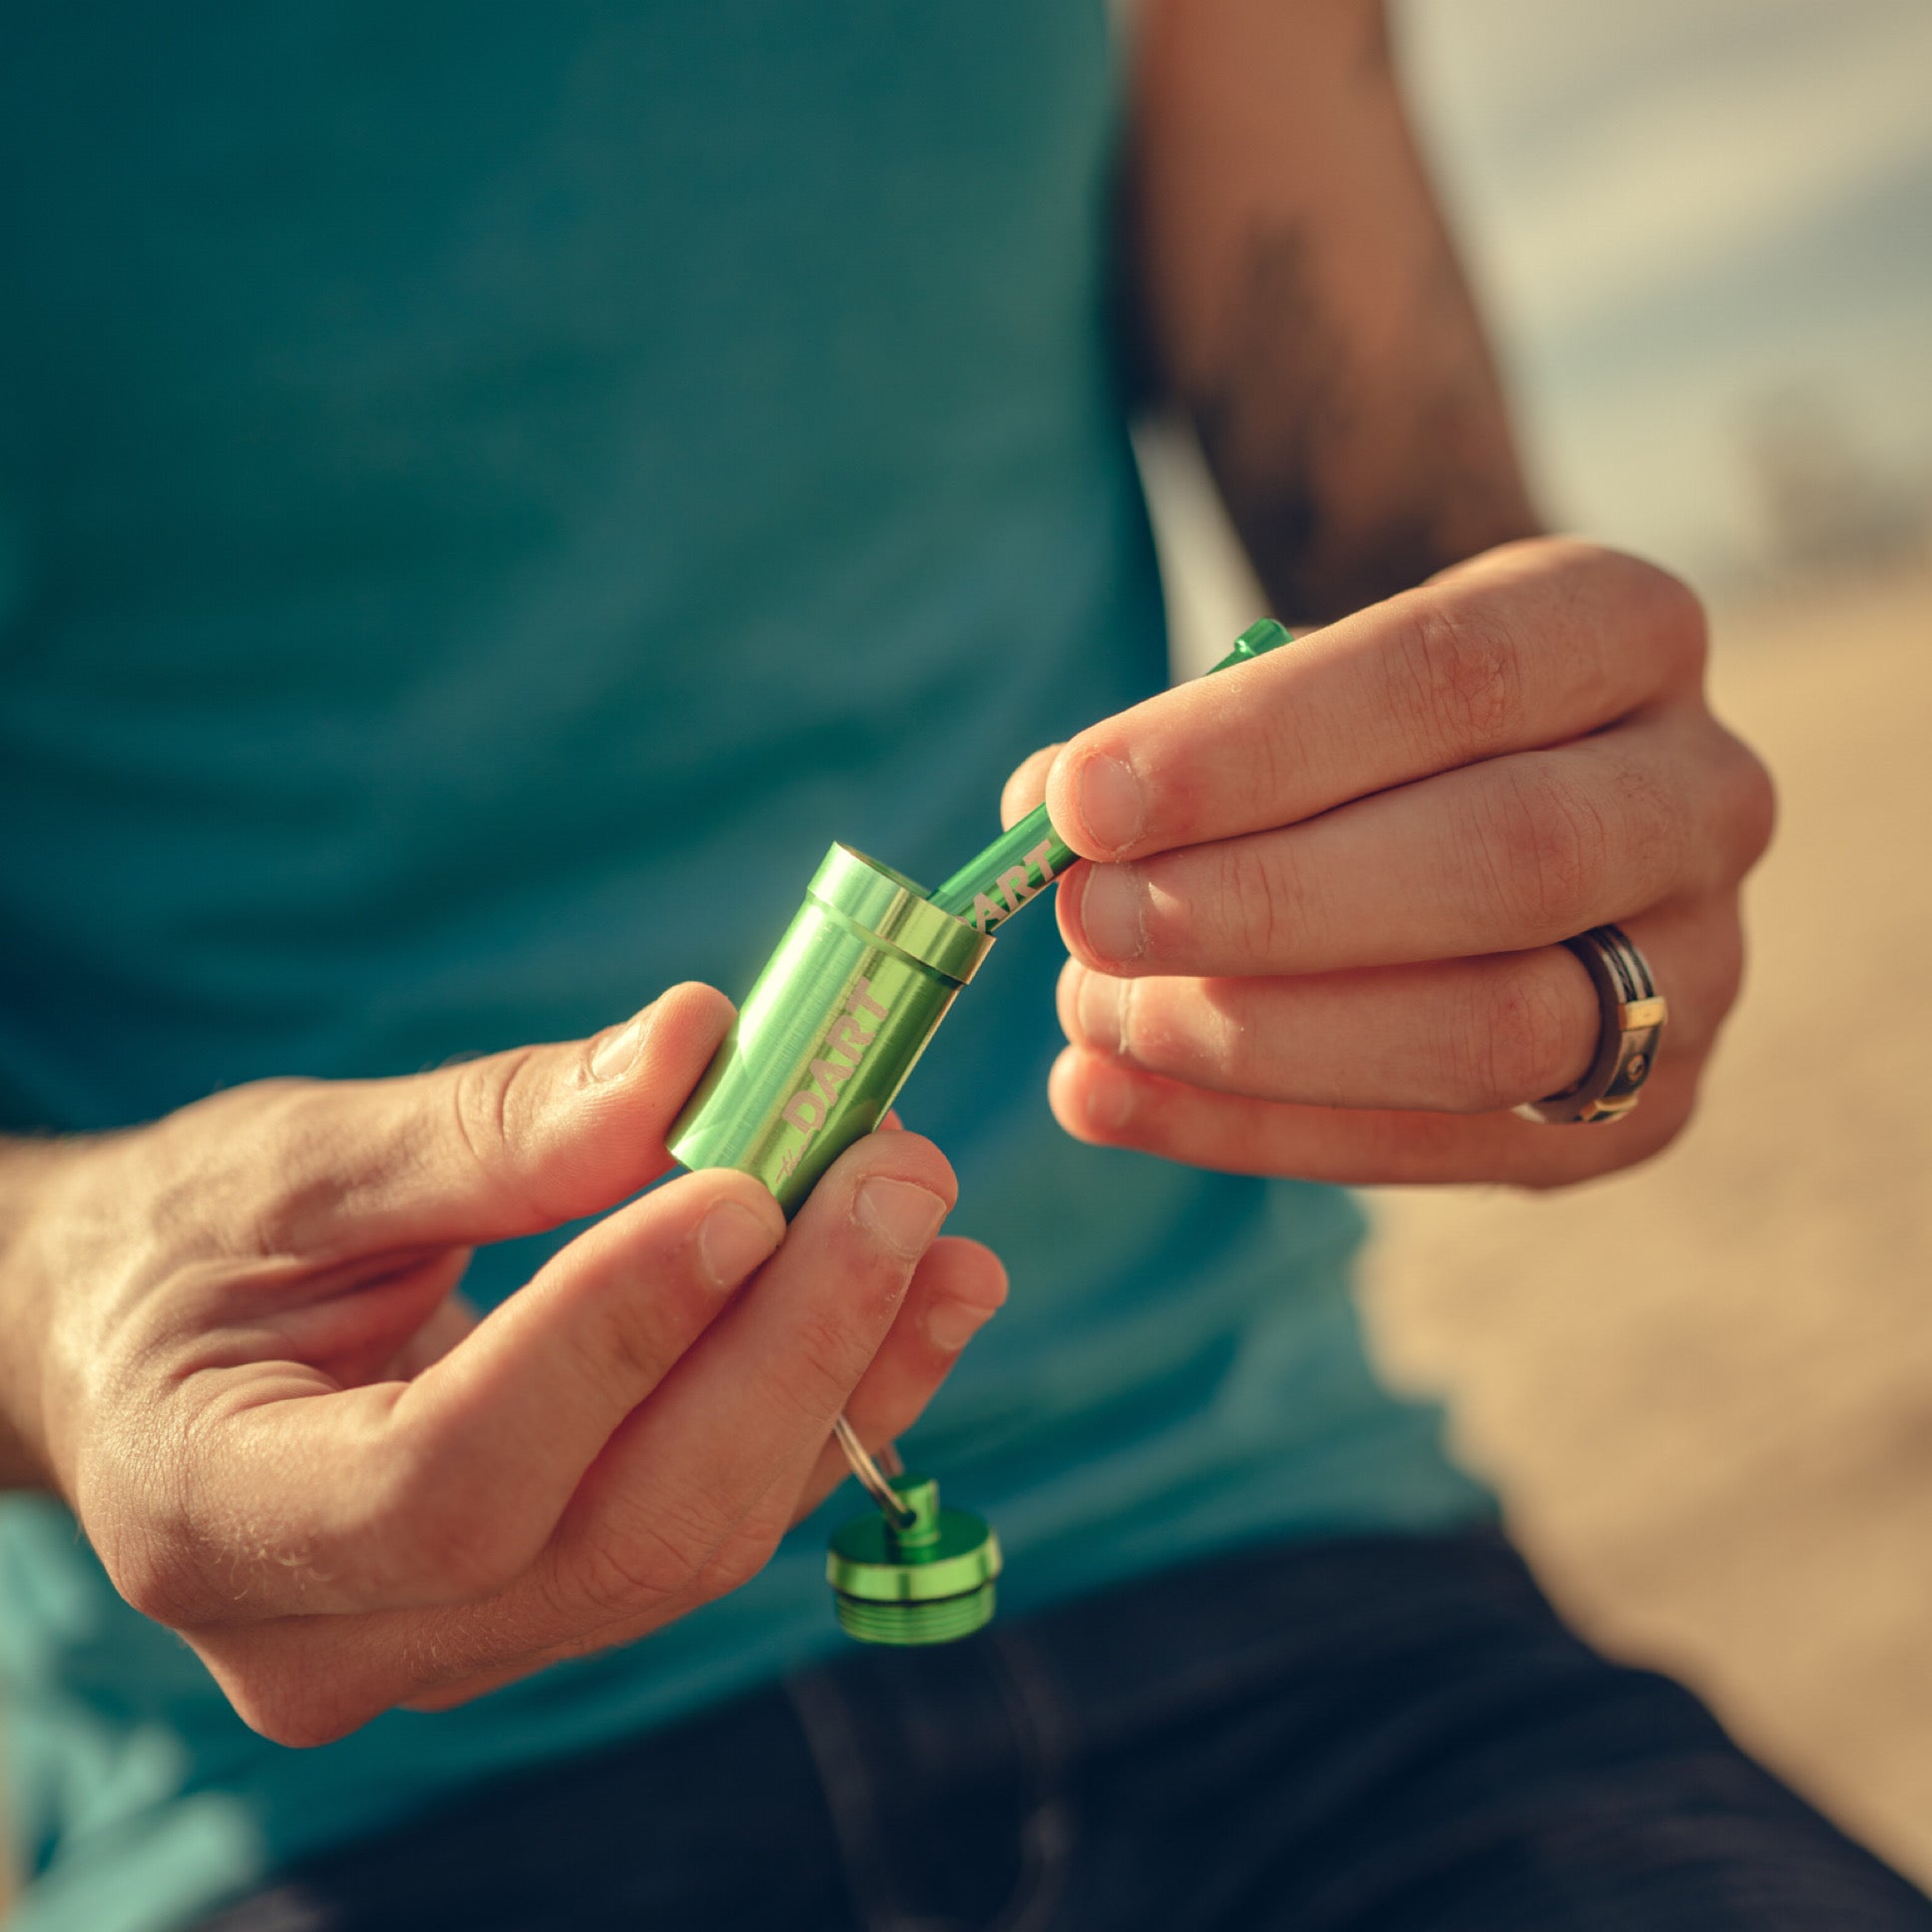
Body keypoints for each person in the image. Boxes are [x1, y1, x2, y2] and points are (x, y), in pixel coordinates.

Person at [0, 3, 1919, 1928]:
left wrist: (1596, 940)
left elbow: (1468, 667)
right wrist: (50, 1303)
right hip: (328, 1811)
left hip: (1286, 1584)